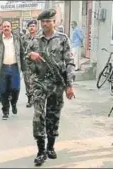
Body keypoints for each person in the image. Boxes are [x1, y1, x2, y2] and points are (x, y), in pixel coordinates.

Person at [27, 9, 75, 166]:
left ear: (55, 22)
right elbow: (26, 59)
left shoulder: (63, 39)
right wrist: (30, 56)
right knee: (38, 115)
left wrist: (69, 85)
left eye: (48, 21)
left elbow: (69, 63)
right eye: (43, 21)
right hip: (39, 83)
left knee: (53, 116)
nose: (45, 24)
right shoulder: (35, 40)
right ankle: (41, 151)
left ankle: (50, 146)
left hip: (56, 84)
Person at [0, 21, 26, 120]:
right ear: (2, 28)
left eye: (8, 26)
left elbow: (22, 53)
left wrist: (24, 68)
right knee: (3, 91)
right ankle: (5, 111)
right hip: (2, 68)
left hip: (14, 67)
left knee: (15, 89)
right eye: (4, 26)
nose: (6, 28)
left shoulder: (17, 38)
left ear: (11, 28)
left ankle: (13, 103)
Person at [22, 20, 38, 108]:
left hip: (37, 64)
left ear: (36, 27)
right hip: (27, 64)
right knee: (27, 82)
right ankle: (29, 98)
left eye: (33, 26)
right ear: (28, 28)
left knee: (36, 82)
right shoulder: (24, 38)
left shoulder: (40, 37)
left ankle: (36, 98)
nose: (32, 27)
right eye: (30, 26)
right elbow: (21, 50)